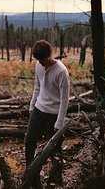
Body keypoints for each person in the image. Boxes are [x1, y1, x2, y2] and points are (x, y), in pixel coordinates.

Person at [25, 40, 71, 188]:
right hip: (39, 110)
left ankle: (55, 180)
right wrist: (32, 106)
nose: (41, 63)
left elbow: (65, 100)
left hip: (54, 114)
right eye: (38, 60)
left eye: (43, 60)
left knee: (55, 150)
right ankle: (31, 175)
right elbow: (37, 87)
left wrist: (59, 122)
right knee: (29, 141)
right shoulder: (38, 65)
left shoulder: (61, 72)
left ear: (49, 55)